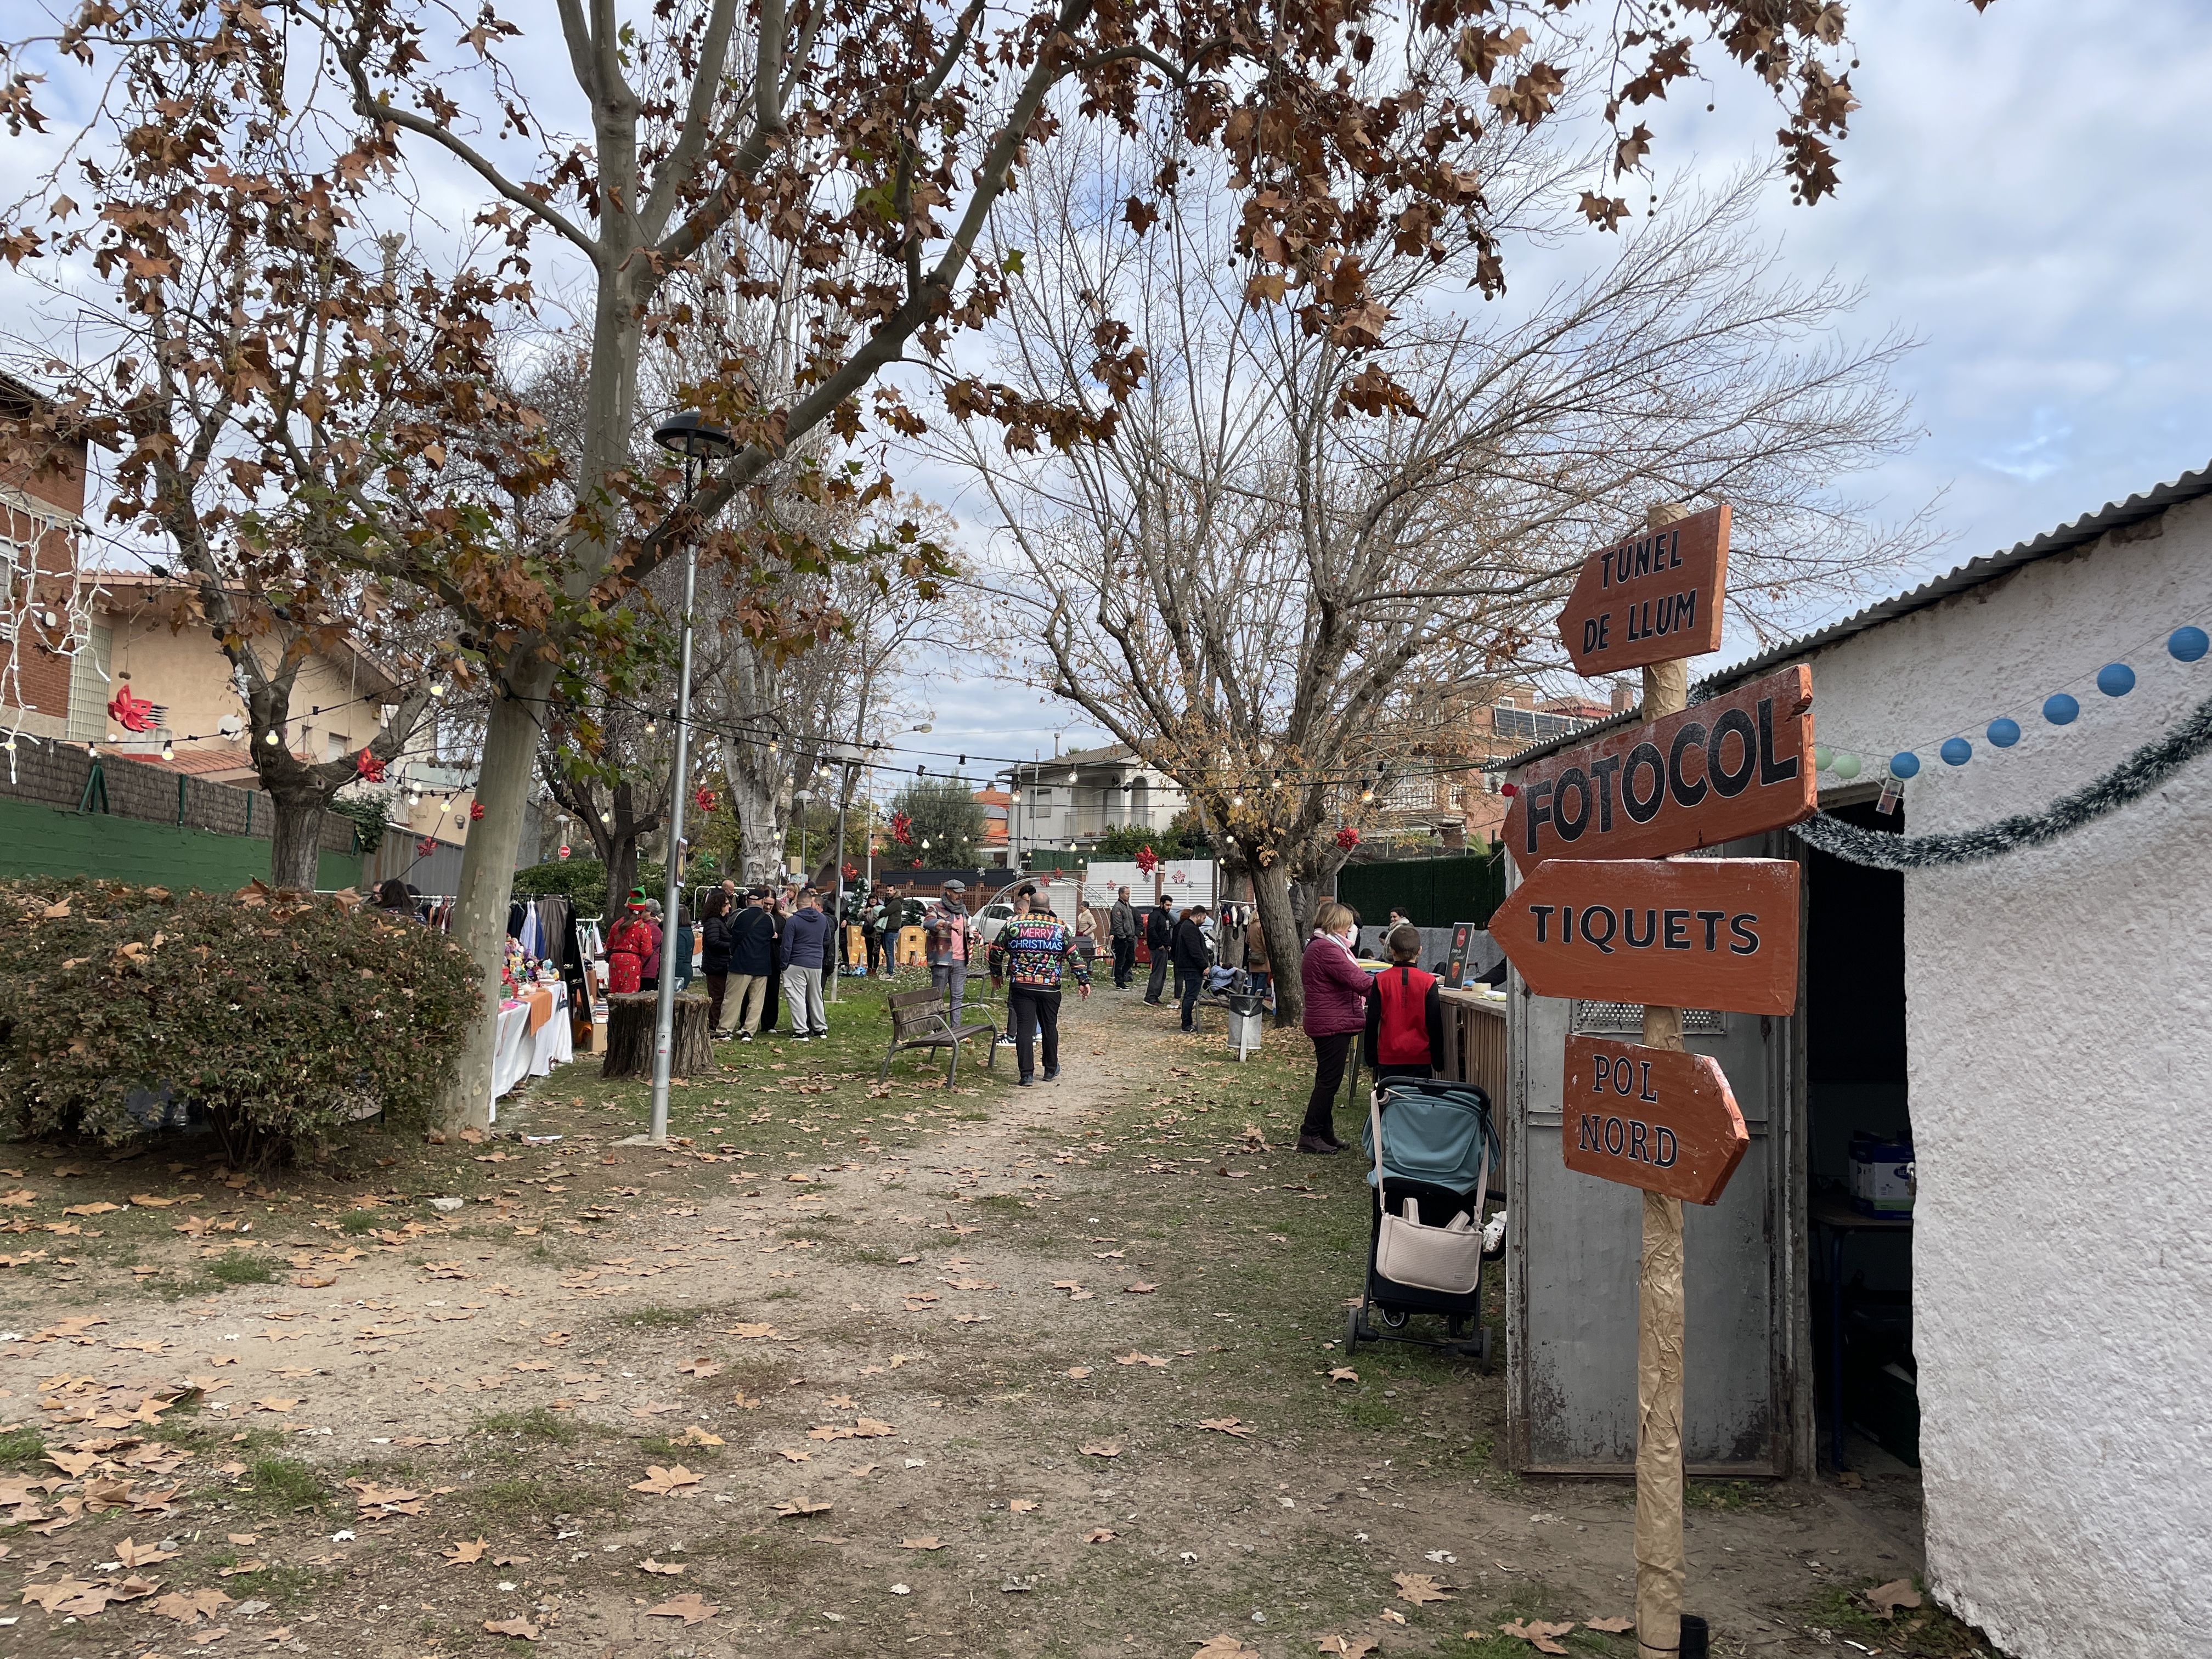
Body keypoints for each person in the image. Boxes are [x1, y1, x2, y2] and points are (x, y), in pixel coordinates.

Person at [987, 891, 1090, 1085]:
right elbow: (1073, 955)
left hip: (1022, 985)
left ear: (1030, 905)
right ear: (1048, 908)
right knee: (1049, 1027)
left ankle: (1026, 1075)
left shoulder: (1014, 923)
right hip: (1050, 987)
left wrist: (996, 974)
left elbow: (996, 950)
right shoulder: (1060, 927)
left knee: (1024, 1028)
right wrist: (1083, 980)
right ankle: (1050, 1070)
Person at [1298, 900, 1370, 1154]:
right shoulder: (1327, 950)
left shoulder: (1323, 946)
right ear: (1336, 924)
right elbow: (1359, 981)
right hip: (1331, 1022)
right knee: (1329, 1081)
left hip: (1329, 1020)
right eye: (1347, 925)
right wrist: (1394, 984)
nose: (1350, 929)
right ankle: (1310, 1132)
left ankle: (1324, 1132)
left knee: (1327, 1079)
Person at [1364, 923, 1445, 1084]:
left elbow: (1372, 1021)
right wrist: (1438, 1060)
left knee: (1389, 1102)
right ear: (1420, 951)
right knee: (1417, 1104)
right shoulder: (1428, 982)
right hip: (1420, 1057)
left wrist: (1371, 1056)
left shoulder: (1381, 981)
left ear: (1392, 952)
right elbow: (1435, 1024)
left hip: (1389, 1057)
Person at [718, 888, 776, 1039]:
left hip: (741, 963)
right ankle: (749, 1032)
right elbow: (771, 935)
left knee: (732, 1000)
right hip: (762, 965)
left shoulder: (739, 915)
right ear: (763, 902)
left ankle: (725, 1030)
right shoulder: (770, 919)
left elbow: (730, 929)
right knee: (756, 1001)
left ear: (747, 900)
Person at [779, 886, 832, 1040]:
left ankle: (801, 1031)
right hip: (816, 963)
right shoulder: (822, 919)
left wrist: (784, 964)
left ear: (797, 903)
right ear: (811, 903)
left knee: (797, 997)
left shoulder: (794, 921)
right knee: (816, 996)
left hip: (796, 962)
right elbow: (826, 939)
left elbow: (787, 945)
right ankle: (820, 1028)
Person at [923, 879, 973, 1024]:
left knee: (958, 996)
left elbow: (966, 929)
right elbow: (928, 923)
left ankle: (955, 1029)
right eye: (957, 893)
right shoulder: (936, 908)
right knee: (937, 995)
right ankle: (936, 1027)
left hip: (961, 959)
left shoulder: (963, 910)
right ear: (948, 892)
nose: (960, 896)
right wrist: (946, 924)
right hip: (942, 958)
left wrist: (973, 933)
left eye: (961, 893)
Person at [604, 890, 659, 997]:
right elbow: (646, 952)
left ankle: (613, 1013)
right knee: (628, 996)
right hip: (632, 962)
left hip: (615, 961)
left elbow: (609, 945)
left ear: (628, 908)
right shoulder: (643, 928)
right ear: (642, 910)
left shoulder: (617, 924)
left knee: (614, 994)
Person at [1170, 902, 1213, 1032]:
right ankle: (1186, 1024)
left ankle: (1187, 1023)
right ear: (1198, 916)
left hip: (1191, 967)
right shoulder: (1190, 928)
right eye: (1204, 918)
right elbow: (1195, 950)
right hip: (1192, 967)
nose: (1204, 921)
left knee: (1190, 995)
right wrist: (1204, 965)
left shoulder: (1188, 927)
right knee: (1190, 996)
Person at [701, 888, 735, 1030]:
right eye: (727, 904)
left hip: (720, 964)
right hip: (715, 966)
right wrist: (731, 946)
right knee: (717, 997)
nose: (730, 907)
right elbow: (713, 942)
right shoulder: (714, 922)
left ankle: (716, 1023)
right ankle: (713, 1024)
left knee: (720, 996)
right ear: (719, 906)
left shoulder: (721, 921)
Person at [1143, 900, 1173, 1003]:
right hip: (1157, 948)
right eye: (1167, 905)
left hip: (1164, 948)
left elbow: (1167, 932)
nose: (1169, 907)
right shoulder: (1155, 915)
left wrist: (1168, 944)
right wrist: (1159, 944)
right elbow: (1151, 930)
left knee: (1163, 974)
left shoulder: (1166, 916)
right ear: (1161, 904)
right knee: (1157, 972)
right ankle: (1150, 996)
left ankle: (1156, 996)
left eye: (1170, 905)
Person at [1108, 885, 1138, 989]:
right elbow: (1118, 924)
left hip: (1130, 937)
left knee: (1131, 959)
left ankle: (1121, 976)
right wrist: (1123, 937)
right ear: (1121, 894)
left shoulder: (1127, 906)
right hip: (1122, 939)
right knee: (1121, 960)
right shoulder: (1118, 907)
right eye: (1127, 894)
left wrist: (1133, 934)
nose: (1128, 896)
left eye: (1129, 893)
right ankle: (1119, 982)